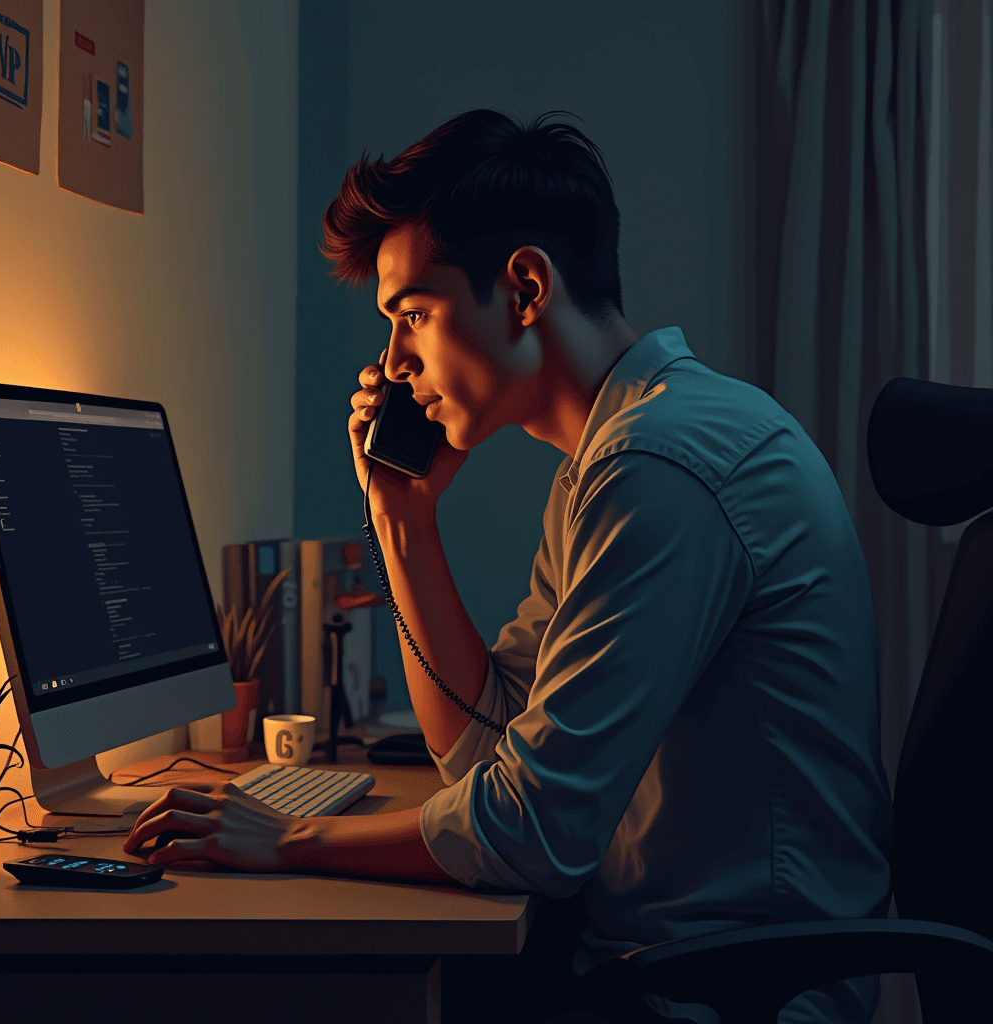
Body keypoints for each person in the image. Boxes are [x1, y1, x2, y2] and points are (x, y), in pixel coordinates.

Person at [123, 110, 893, 1024]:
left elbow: (533, 832)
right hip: (663, 963)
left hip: (727, 992)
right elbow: (484, 749)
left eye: (412, 314)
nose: (394, 363)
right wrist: (402, 518)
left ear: (525, 286)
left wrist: (294, 837)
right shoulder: (607, 461)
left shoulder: (659, 466)